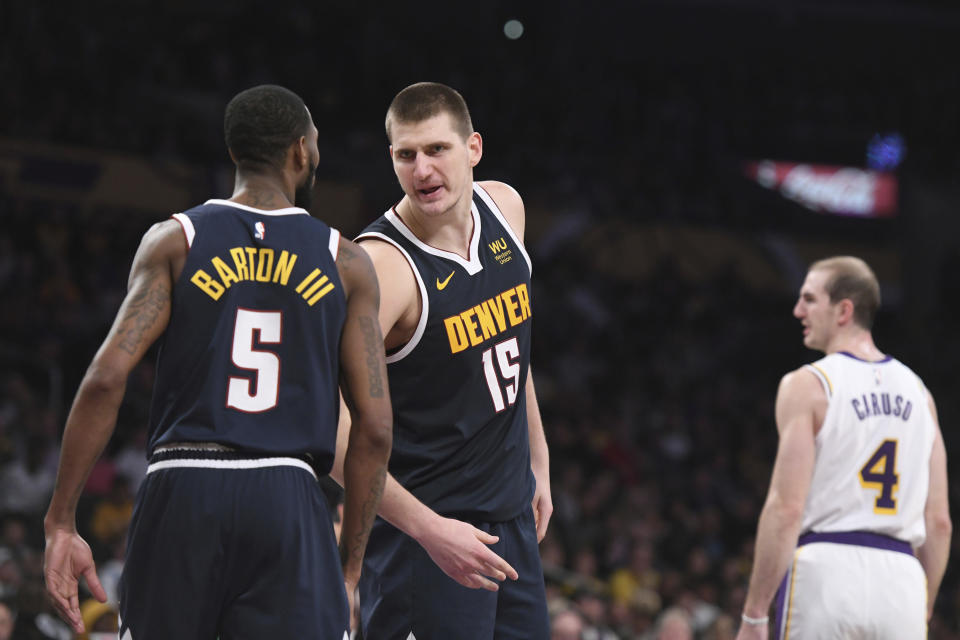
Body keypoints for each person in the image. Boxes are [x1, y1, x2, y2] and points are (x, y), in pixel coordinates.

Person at [42, 84, 392, 639]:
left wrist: (61, 520)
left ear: (235, 152)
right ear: (301, 151)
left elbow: (105, 379)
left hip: (183, 486)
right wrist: (348, 567)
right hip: (287, 492)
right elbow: (373, 429)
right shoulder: (345, 261)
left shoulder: (174, 240)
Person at [332, 81, 552, 638]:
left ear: (473, 148)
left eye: (437, 150)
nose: (422, 170)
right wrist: (429, 530)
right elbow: (330, 432)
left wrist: (539, 460)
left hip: (510, 526)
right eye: (406, 155)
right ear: (391, 160)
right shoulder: (383, 267)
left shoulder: (506, 207)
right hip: (425, 541)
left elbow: (511, 348)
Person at [736, 256, 951, 639]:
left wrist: (754, 614)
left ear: (844, 310)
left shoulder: (809, 384)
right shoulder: (921, 395)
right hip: (902, 580)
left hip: (826, 571)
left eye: (809, 299)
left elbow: (786, 509)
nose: (797, 310)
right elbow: (939, 523)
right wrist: (923, 604)